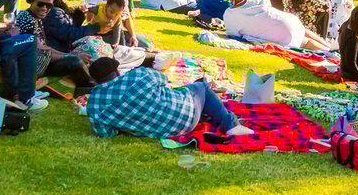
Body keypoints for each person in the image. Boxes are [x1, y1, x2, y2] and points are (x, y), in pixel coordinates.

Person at [86, 55, 251, 140]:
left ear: (96, 81)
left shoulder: (94, 104)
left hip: (160, 131)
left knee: (189, 94)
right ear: (117, 71)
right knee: (201, 88)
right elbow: (164, 80)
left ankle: (211, 115)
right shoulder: (138, 75)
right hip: (185, 115)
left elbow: (105, 133)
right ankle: (232, 124)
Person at [15, 0, 93, 94]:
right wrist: (70, 56)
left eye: (48, 5)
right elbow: (41, 50)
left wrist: (70, 55)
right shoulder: (26, 18)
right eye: (41, 4)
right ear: (32, 1)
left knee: (76, 57)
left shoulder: (36, 18)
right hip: (32, 66)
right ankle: (88, 86)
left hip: (41, 61)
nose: (44, 8)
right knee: (75, 61)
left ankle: (87, 84)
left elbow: (45, 48)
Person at [221, 0, 332, 49]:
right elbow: (267, 4)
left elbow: (233, 35)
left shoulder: (230, 15)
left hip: (282, 32)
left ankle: (329, 52)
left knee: (304, 41)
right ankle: (329, 47)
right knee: (302, 31)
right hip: (288, 19)